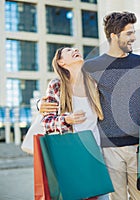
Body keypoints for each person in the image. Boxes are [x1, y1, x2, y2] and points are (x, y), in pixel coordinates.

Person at [82, 12, 140, 200]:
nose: (134, 37)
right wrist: (42, 103)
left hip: (139, 145)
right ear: (114, 36)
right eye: (129, 33)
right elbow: (70, 91)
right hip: (109, 147)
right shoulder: (91, 66)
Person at [41, 47, 109, 200]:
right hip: (71, 156)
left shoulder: (94, 84)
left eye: (75, 49)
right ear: (61, 62)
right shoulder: (57, 86)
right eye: (68, 50)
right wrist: (66, 119)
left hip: (96, 156)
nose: (75, 50)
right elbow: (46, 122)